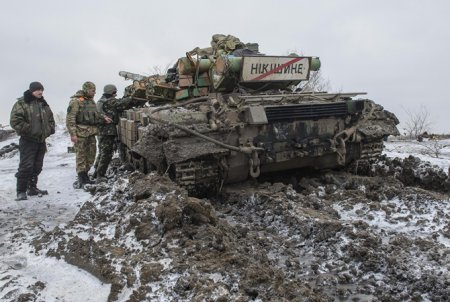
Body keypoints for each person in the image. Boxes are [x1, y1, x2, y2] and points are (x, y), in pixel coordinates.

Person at [10, 81, 55, 201]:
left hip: (41, 140)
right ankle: (20, 191)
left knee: (37, 166)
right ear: (31, 91)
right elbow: (15, 121)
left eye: (42, 90)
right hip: (28, 140)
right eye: (37, 90)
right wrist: (29, 130)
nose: (40, 92)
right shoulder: (22, 103)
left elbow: (50, 119)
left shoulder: (43, 104)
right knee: (26, 166)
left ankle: (32, 188)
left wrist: (50, 129)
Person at [93, 84, 146, 180]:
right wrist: (133, 97)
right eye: (115, 92)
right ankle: (100, 175)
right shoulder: (109, 102)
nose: (116, 94)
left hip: (102, 131)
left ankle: (96, 172)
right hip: (107, 131)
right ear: (112, 92)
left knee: (102, 152)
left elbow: (119, 102)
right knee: (106, 153)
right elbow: (121, 103)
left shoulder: (101, 101)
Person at [66, 81, 112, 188]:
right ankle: (82, 178)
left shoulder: (91, 102)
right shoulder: (76, 102)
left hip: (91, 133)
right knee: (81, 155)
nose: (94, 93)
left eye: (95, 90)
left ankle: (86, 175)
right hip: (80, 133)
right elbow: (70, 119)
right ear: (87, 90)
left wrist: (104, 118)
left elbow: (96, 114)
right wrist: (73, 134)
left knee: (91, 155)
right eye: (92, 90)